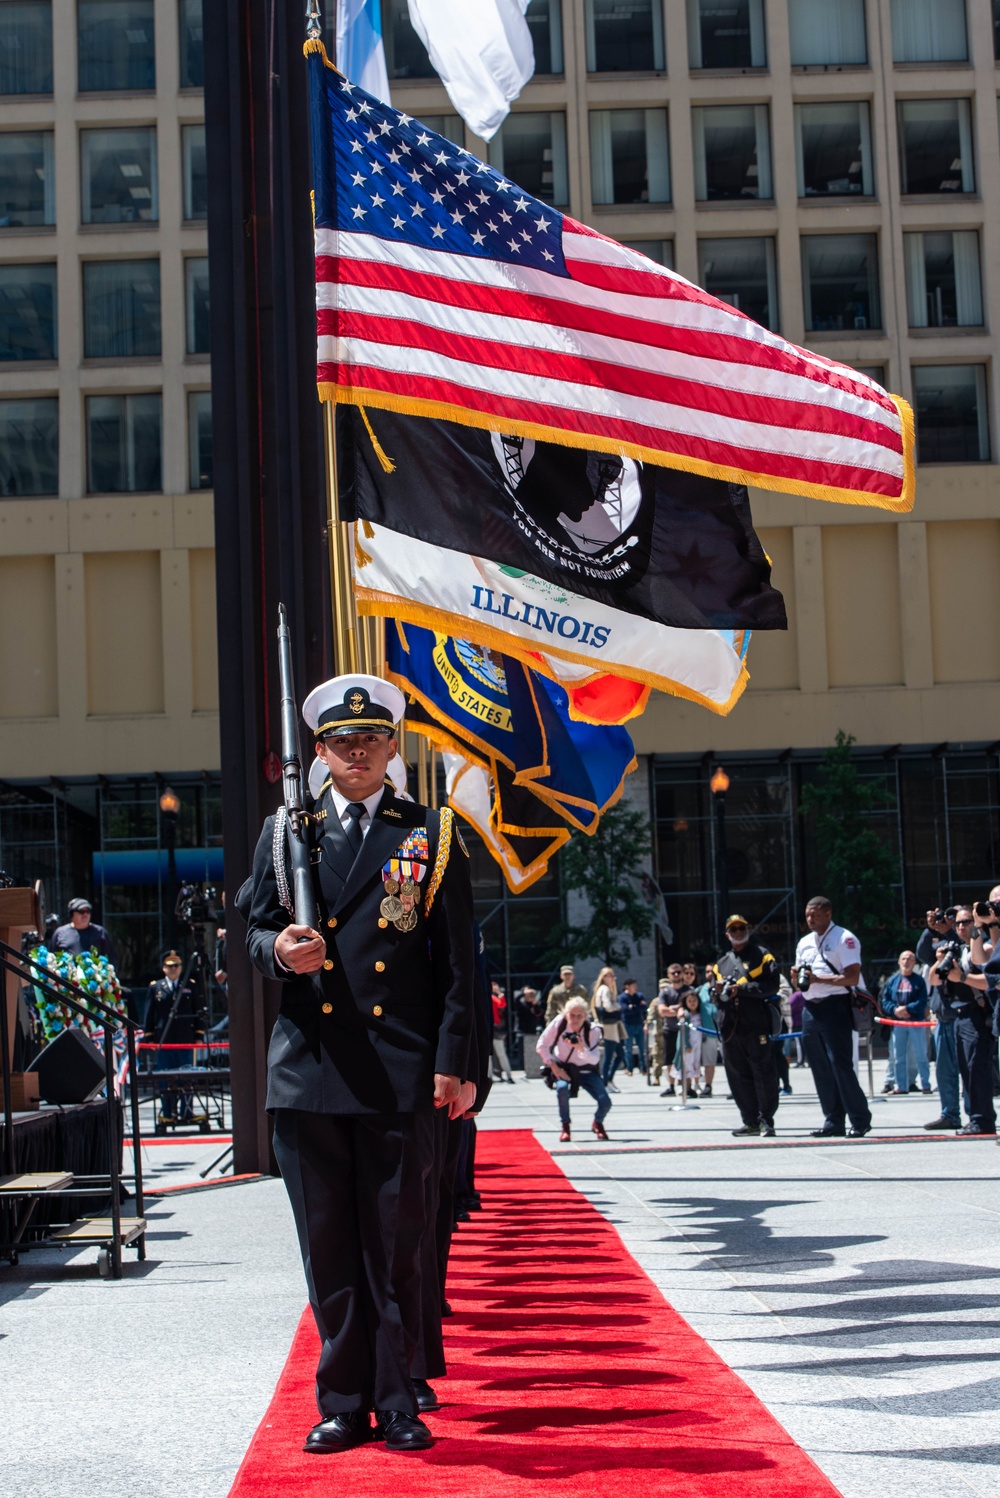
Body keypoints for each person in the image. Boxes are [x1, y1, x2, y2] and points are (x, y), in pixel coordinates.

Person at [239, 672, 476, 1455]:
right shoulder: (287, 835)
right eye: (343, 742)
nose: (358, 751)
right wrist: (277, 949)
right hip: (309, 1069)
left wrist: (456, 1061)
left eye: (371, 739)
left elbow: (458, 963)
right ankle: (342, 1400)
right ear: (321, 752)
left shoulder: (430, 833)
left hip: (398, 1069)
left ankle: (399, 1396)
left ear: (391, 747)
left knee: (398, 1245)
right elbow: (246, 932)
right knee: (330, 1250)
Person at [793, 896, 872, 1138]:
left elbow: (851, 977)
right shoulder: (805, 942)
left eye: (814, 914)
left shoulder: (844, 939)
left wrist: (819, 979)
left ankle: (860, 1119)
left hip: (835, 1005)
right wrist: (797, 978)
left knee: (840, 1064)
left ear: (828, 913)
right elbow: (800, 983)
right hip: (811, 1007)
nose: (810, 919)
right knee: (819, 1067)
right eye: (807, 915)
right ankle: (833, 1119)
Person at [928, 908, 995, 1135]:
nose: (961, 927)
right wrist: (941, 960)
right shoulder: (957, 950)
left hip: (977, 1015)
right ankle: (974, 1117)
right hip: (958, 1017)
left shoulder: (984, 948)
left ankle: (982, 1118)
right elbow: (934, 980)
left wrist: (963, 977)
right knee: (966, 1070)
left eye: (966, 922)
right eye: (957, 923)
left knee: (977, 1069)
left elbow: (988, 980)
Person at [712, 914, 781, 1137]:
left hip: (755, 1025)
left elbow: (772, 986)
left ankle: (765, 1120)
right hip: (731, 1028)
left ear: (748, 929)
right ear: (727, 934)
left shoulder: (762, 955)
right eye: (733, 929)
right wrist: (720, 992)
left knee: (764, 1073)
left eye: (742, 927)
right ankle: (749, 1120)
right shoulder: (720, 964)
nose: (738, 931)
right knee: (737, 1076)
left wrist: (741, 989)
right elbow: (714, 995)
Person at [537, 996, 612, 1142]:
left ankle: (598, 1122)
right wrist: (553, 1066)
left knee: (605, 1101)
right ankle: (565, 1126)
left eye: (579, 1016)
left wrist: (580, 1048)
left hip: (586, 1070)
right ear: (566, 1014)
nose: (575, 1019)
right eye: (572, 1015)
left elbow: (595, 1059)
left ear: (585, 1016)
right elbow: (542, 1044)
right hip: (563, 1068)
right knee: (562, 1089)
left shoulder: (593, 1030)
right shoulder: (559, 1023)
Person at [880, 951, 931, 1095]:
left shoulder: (919, 981)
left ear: (914, 963)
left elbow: (923, 1002)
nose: (906, 961)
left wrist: (908, 1009)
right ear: (899, 961)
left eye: (910, 959)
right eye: (903, 958)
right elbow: (885, 1001)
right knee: (898, 1056)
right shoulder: (893, 980)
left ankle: (925, 1084)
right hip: (899, 1024)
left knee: (921, 1054)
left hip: (916, 1023)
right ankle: (901, 1086)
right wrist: (895, 1010)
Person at [51, 897, 116, 964]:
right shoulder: (60, 933)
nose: (85, 915)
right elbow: (53, 958)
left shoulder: (100, 932)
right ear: (72, 914)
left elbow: (111, 959)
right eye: (81, 912)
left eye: (88, 912)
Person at [592, 966, 626, 1090]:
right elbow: (607, 1006)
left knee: (620, 1054)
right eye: (611, 976)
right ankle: (605, 1082)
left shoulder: (603, 989)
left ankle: (608, 1079)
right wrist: (617, 1006)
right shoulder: (605, 989)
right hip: (609, 1026)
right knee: (610, 1055)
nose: (613, 978)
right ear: (604, 977)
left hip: (611, 1026)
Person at [656, 964, 687, 1096]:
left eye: (678, 972)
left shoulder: (688, 990)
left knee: (686, 1058)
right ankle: (671, 1085)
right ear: (668, 975)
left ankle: (685, 1084)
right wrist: (678, 1009)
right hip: (670, 1029)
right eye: (673, 973)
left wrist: (671, 1010)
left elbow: (690, 1009)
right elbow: (662, 1011)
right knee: (669, 1059)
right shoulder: (665, 992)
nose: (676, 975)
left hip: (686, 1030)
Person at [695, 962, 720, 1096]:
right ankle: (708, 1086)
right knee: (709, 1061)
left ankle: (736, 1087)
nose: (710, 974)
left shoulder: (723, 988)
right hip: (707, 1031)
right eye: (708, 971)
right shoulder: (700, 991)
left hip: (723, 1031)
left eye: (712, 972)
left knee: (731, 1061)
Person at [620, 978, 647, 1074]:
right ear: (627, 986)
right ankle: (629, 1068)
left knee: (642, 1048)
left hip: (639, 1024)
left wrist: (633, 1007)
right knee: (628, 1048)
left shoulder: (639, 996)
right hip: (628, 1025)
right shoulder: (622, 997)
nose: (635, 987)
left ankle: (643, 1068)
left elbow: (644, 1008)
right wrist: (637, 1007)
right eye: (633, 985)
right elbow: (625, 1010)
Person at [490, 981, 514, 1083]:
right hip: (492, 1027)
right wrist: (500, 994)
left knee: (495, 1054)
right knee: (497, 1054)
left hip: (494, 1028)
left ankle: (490, 1077)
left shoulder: (492, 997)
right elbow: (501, 1004)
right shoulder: (491, 997)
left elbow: (501, 1005)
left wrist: (499, 993)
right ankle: (491, 1076)